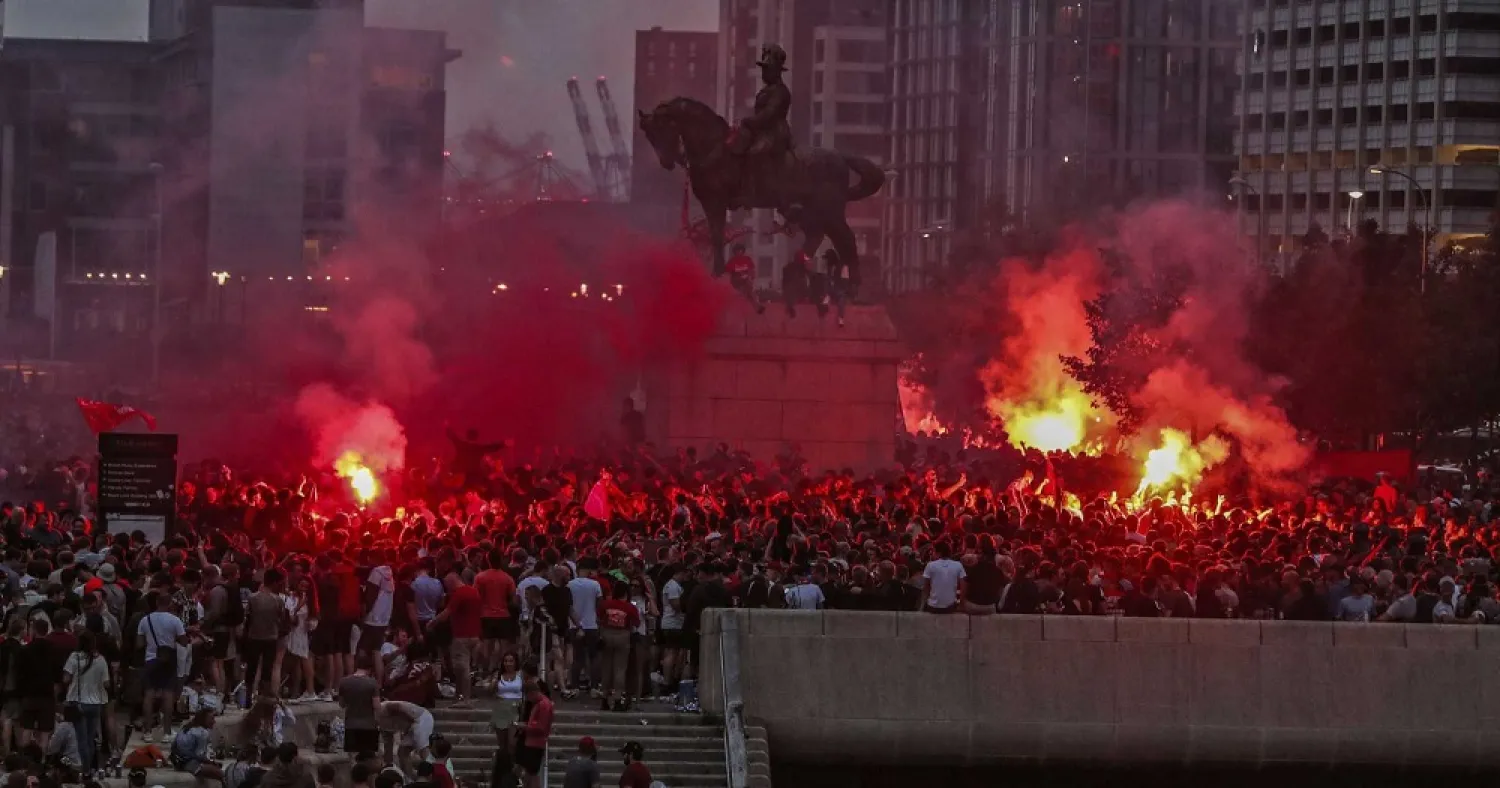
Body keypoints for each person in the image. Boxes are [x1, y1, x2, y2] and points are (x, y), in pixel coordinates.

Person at [728, 43, 796, 214]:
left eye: (768, 69)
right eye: (764, 69)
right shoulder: (766, 90)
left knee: (755, 153)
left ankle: (752, 193)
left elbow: (769, 115)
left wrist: (749, 121)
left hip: (775, 133)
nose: (764, 73)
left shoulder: (781, 92)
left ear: (777, 71)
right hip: (761, 131)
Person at [137, 591, 189, 743]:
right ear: (170, 604)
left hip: (150, 660)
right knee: (168, 694)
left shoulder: (145, 620)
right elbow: (184, 641)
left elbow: (139, 644)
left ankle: (147, 732)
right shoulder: (174, 620)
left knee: (149, 695)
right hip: (168, 661)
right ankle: (166, 732)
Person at [427, 574, 481, 706]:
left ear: (452, 582)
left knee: (462, 668)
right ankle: (458, 696)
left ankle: (465, 699)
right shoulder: (474, 591)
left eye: (447, 585)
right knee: (462, 667)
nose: (446, 589)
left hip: (462, 636)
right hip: (475, 635)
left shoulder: (459, 594)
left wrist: (432, 623)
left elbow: (447, 613)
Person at [62, 630, 110, 773]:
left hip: (78, 703)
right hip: (95, 703)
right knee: (90, 739)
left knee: (81, 740)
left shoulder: (74, 657)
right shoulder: (101, 659)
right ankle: (91, 768)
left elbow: (66, 678)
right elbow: (106, 683)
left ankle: (86, 769)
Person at [597, 583, 641, 712]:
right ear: (626, 593)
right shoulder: (629, 607)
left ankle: (604, 699)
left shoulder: (605, 604)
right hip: (623, 636)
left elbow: (599, 618)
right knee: (620, 669)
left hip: (606, 635)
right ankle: (617, 699)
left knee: (606, 667)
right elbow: (636, 623)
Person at [475, 549, 519, 673]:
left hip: (485, 615)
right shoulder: (507, 578)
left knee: (486, 645)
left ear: (488, 560)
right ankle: (500, 669)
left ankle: (484, 670)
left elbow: (476, 597)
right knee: (504, 647)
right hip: (503, 615)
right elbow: (514, 600)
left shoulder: (480, 577)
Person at [512, 679, 553, 788]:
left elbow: (541, 727)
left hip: (536, 743)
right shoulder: (539, 704)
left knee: (532, 774)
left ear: (532, 693)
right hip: (530, 742)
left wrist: (524, 726)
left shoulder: (544, 705)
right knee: (529, 774)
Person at [339, 654, 382, 756]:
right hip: (369, 726)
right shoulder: (372, 683)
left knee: (353, 757)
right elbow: (376, 706)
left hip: (350, 724)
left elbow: (342, 704)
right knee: (368, 758)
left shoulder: (344, 682)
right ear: (370, 668)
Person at [377, 700, 434, 776]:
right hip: (409, 728)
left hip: (420, 719)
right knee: (402, 752)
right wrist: (388, 765)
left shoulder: (383, 707)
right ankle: (409, 777)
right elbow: (388, 744)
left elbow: (397, 705)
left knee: (422, 749)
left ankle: (432, 773)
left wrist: (410, 720)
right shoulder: (381, 726)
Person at [169, 709, 225, 787]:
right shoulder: (202, 732)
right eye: (211, 718)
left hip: (176, 761)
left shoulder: (186, 727)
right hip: (188, 763)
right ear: (203, 719)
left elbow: (173, 747)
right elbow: (200, 755)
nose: (214, 721)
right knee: (222, 775)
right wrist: (211, 763)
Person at [724, 244, 764, 312]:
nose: (739, 252)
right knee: (748, 289)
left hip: (746, 281)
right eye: (737, 251)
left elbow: (752, 270)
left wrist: (751, 277)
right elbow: (728, 273)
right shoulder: (732, 261)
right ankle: (756, 305)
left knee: (750, 293)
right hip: (736, 280)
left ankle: (757, 307)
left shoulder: (747, 259)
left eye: (740, 250)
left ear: (743, 251)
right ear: (735, 252)